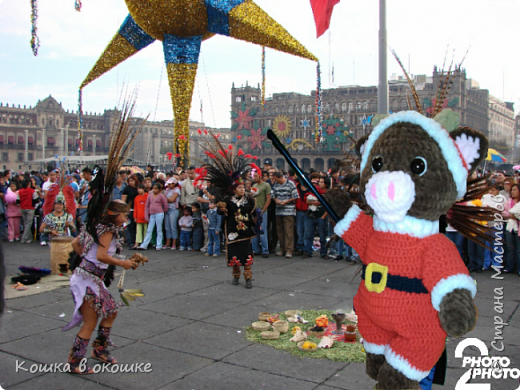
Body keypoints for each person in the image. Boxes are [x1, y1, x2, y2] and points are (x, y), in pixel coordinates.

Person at [63, 200, 138, 374]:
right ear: (113, 214)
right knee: (90, 321)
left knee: (111, 311)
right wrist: (122, 263)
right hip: (86, 280)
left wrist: (87, 261)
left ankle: (99, 349)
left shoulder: (95, 225)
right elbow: (102, 255)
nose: (126, 217)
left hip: (90, 278)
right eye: (124, 214)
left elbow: (75, 244)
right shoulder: (108, 230)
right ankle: (74, 362)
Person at [218, 182, 257, 288]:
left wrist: (257, 223)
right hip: (232, 230)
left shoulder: (249, 199)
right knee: (234, 253)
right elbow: (220, 212)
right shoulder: (228, 200)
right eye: (239, 187)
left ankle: (248, 277)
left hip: (245, 230)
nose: (242, 189)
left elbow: (254, 213)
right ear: (234, 189)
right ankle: (236, 275)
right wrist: (221, 208)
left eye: (243, 187)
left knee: (246, 253)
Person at [271, 171, 299, 258]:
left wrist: (286, 201)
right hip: (278, 211)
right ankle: (282, 249)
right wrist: (276, 200)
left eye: (275, 179)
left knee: (288, 231)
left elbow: (295, 196)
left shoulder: (290, 184)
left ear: (279, 177)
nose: (274, 181)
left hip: (288, 211)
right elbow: (273, 195)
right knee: (280, 231)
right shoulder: (276, 185)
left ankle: (289, 250)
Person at [303, 176, 329, 259]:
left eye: (322, 182)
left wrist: (324, 216)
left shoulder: (328, 193)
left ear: (326, 184)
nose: (319, 183)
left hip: (321, 216)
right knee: (308, 234)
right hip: (310, 215)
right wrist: (313, 203)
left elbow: (330, 206)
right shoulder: (314, 190)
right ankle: (307, 251)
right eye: (319, 182)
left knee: (322, 235)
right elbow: (306, 200)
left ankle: (323, 252)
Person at [138, 183, 168, 250]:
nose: (154, 190)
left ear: (159, 190)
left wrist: (163, 211)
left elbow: (165, 204)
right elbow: (146, 206)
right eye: (153, 188)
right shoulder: (150, 196)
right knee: (149, 229)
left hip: (159, 213)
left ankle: (159, 244)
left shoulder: (161, 196)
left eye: (156, 189)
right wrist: (146, 216)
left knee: (159, 229)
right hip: (152, 214)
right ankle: (144, 245)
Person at [251, 170, 271, 258]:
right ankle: (255, 249)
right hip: (254, 211)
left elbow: (268, 199)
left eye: (256, 176)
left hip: (262, 211)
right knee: (254, 231)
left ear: (260, 176)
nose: (254, 178)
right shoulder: (254, 185)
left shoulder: (266, 185)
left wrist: (263, 210)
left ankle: (265, 250)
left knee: (263, 231)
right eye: (253, 176)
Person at [503, 183, 520, 275]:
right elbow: (504, 212)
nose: (513, 192)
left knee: (519, 249)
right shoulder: (509, 201)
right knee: (510, 248)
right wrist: (510, 215)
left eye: (515, 190)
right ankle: (509, 267)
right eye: (512, 190)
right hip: (510, 226)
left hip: (518, 227)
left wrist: (517, 216)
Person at [18, 179, 39, 244]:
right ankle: (24, 238)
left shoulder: (20, 191)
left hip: (22, 208)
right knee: (29, 223)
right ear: (28, 184)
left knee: (25, 223)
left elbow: (17, 201)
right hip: (30, 208)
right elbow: (36, 200)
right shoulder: (32, 191)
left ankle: (29, 238)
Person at [121, 175, 139, 248]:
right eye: (129, 181)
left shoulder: (138, 188)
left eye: (132, 181)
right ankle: (130, 241)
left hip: (138, 210)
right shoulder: (126, 189)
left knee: (136, 227)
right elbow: (123, 200)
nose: (131, 183)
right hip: (130, 210)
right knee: (129, 226)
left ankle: (136, 241)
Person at [164, 177, 181, 250]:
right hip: (167, 209)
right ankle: (168, 243)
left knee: (173, 227)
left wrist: (165, 199)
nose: (168, 185)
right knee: (167, 227)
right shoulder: (167, 190)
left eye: (170, 184)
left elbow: (172, 199)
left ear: (174, 184)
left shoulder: (177, 189)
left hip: (174, 209)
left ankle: (174, 243)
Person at [132, 184, 148, 249]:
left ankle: (145, 243)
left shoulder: (147, 196)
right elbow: (135, 208)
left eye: (140, 188)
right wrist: (135, 216)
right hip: (139, 216)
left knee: (146, 230)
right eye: (138, 189)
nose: (138, 190)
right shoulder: (137, 198)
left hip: (145, 216)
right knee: (138, 230)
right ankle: (137, 243)